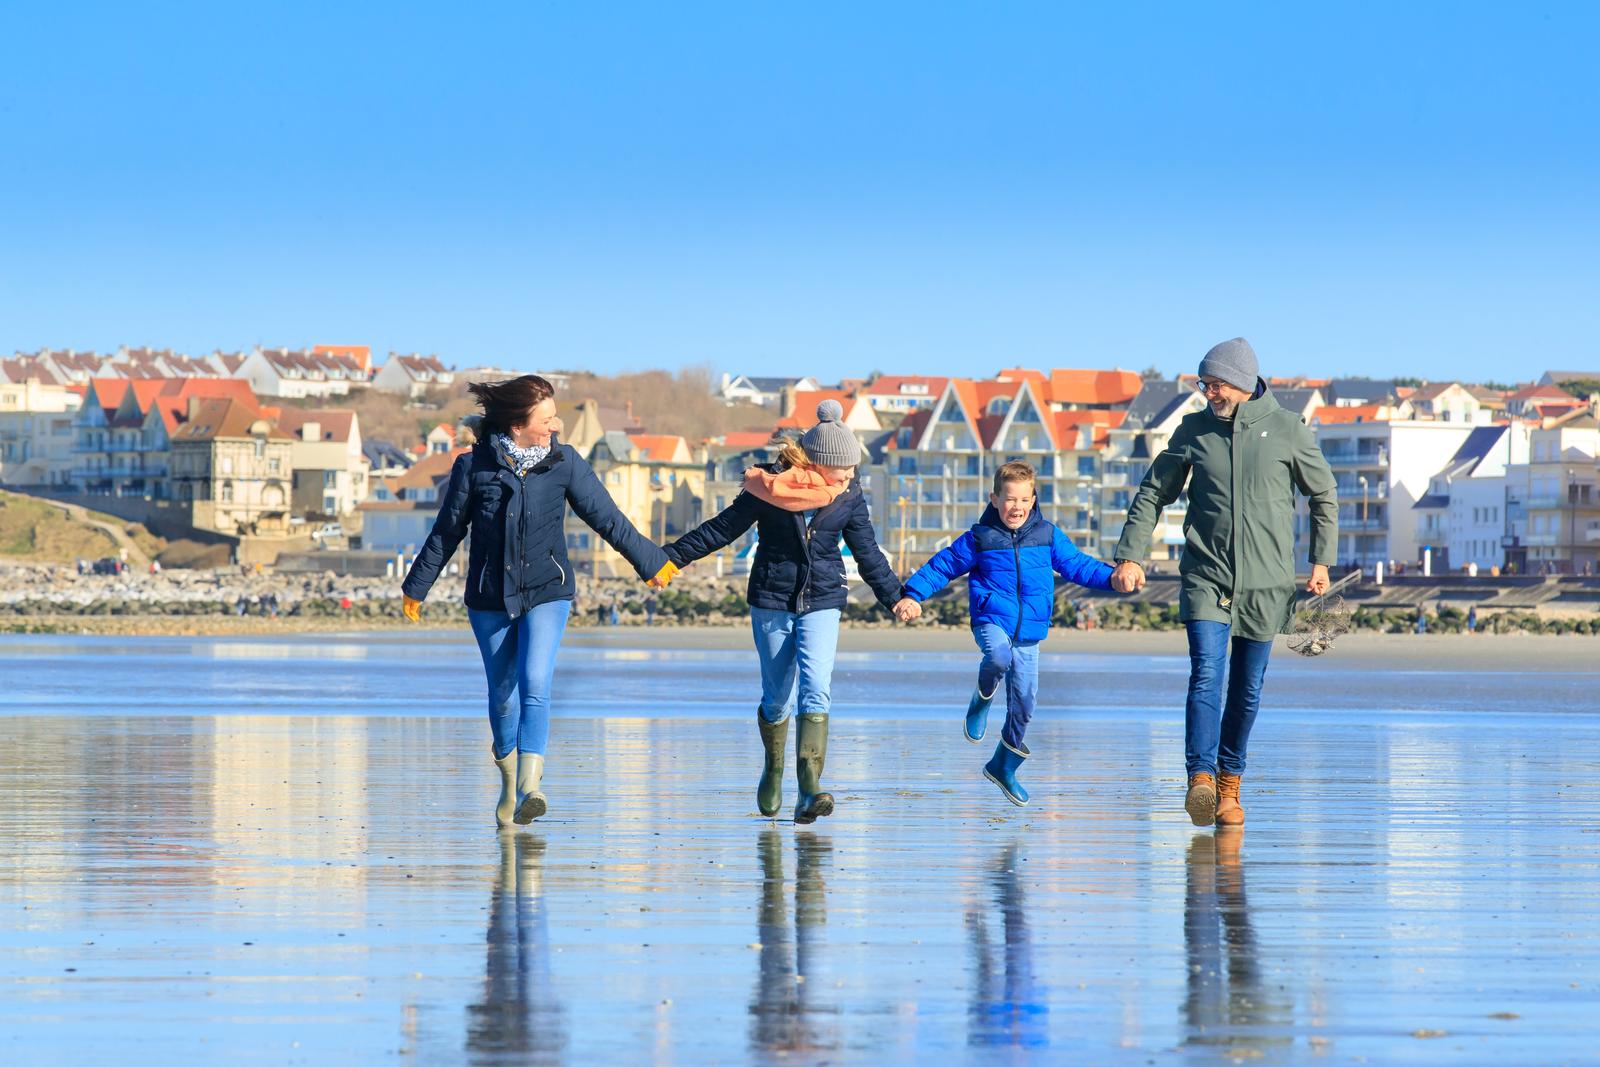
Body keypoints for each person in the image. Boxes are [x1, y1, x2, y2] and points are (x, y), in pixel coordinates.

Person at [401, 374, 672, 828]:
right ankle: (509, 780)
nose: (556, 426)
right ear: (516, 424)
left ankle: (531, 786)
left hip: (549, 589)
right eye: (546, 419)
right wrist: (416, 586)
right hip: (489, 595)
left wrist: (650, 561)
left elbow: (607, 518)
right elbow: (448, 532)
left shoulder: (565, 463)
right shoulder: (474, 467)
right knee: (503, 695)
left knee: (535, 680)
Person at [1110, 338, 1337, 829]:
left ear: (1241, 382)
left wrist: (1322, 562)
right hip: (1206, 576)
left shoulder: (1287, 431)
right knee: (1207, 674)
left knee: (1248, 688)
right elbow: (1154, 491)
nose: (1208, 393)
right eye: (1204, 385)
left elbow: (1324, 494)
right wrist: (1130, 554)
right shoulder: (1193, 430)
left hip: (1267, 583)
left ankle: (1231, 783)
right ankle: (1201, 780)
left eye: (1214, 385)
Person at [657, 400, 903, 824]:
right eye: (842, 469)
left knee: (816, 689)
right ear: (820, 463)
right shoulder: (767, 488)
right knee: (777, 697)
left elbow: (867, 553)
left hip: (823, 599)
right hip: (771, 598)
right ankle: (773, 769)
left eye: (851, 470)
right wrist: (671, 559)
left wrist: (894, 595)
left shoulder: (849, 496)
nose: (848, 476)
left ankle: (809, 787)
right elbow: (721, 528)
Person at [893, 462, 1115, 806]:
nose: (1017, 507)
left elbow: (1079, 565)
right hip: (991, 620)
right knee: (998, 655)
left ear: (1034, 499)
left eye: (1024, 499)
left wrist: (1113, 579)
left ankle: (1003, 765)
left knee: (1025, 703)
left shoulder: (1047, 536)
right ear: (994, 498)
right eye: (1010, 499)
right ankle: (981, 700)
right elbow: (943, 564)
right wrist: (913, 595)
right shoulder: (980, 537)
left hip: (1030, 631)